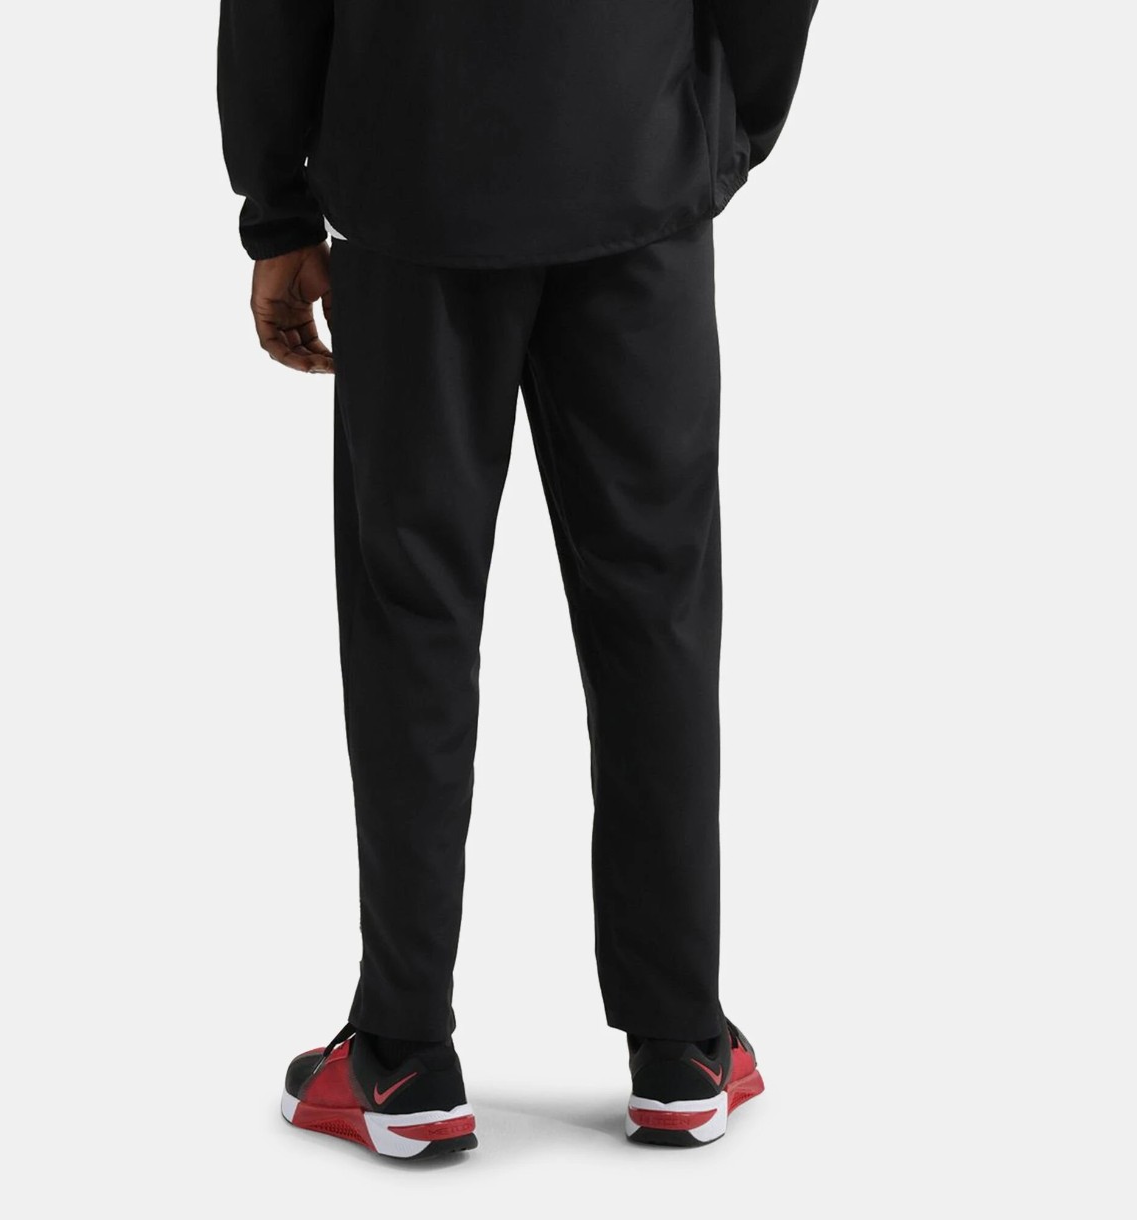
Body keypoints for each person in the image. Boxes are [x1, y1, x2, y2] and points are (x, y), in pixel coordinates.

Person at [218, 0, 816, 1158]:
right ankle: (681, 1042)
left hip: (411, 174)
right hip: (633, 162)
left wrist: (275, 205)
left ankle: (401, 1053)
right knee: (655, 611)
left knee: (412, 614)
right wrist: (715, 127)